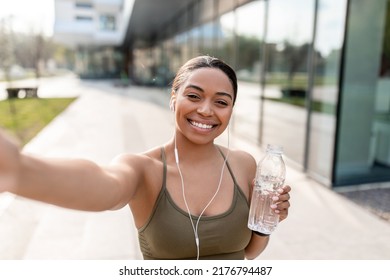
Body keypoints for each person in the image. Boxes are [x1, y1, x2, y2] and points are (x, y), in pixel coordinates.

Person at [0, 55, 291, 260]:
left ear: (230, 110)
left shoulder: (243, 164)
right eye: (194, 96)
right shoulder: (143, 168)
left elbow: (248, 253)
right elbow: (104, 184)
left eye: (221, 102)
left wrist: (268, 220)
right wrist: (19, 171)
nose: (206, 110)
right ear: (173, 98)